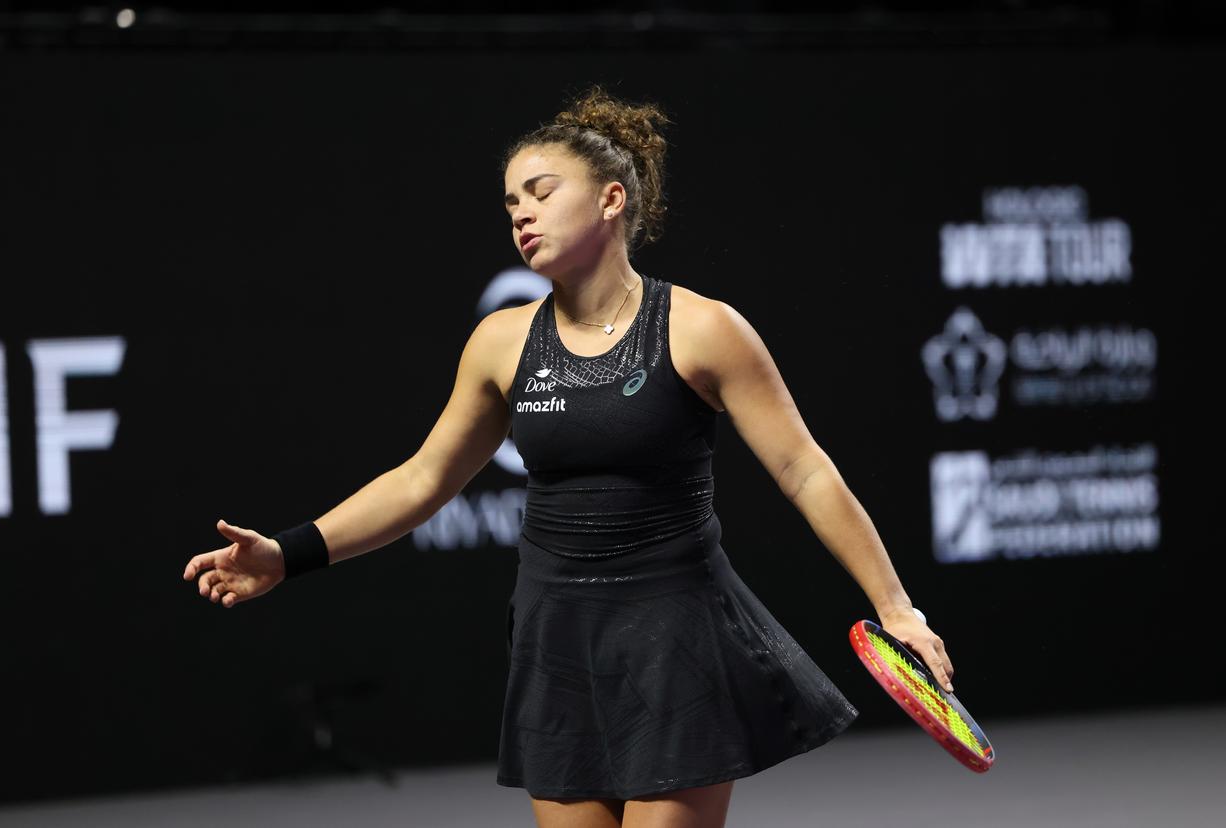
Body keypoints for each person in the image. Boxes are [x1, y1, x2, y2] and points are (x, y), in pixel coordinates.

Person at [182, 84, 955, 828]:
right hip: (555, 639)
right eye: (510, 202)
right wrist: (287, 553)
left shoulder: (702, 329)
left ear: (611, 199)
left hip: (677, 637)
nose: (521, 212)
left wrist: (897, 609)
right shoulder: (501, 342)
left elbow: (804, 470)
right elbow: (422, 480)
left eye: (541, 192)